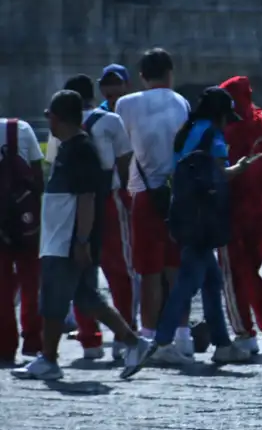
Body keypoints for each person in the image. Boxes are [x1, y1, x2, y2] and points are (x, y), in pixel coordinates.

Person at [12, 90, 152, 380]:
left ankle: (49, 359)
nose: (47, 119)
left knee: (52, 299)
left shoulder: (80, 150)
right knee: (87, 298)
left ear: (60, 117)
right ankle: (135, 342)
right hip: (63, 238)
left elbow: (87, 198)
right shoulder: (69, 148)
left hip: (67, 240)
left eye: (50, 114)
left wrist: (82, 241)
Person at [150, 87, 255, 365]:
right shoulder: (213, 136)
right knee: (187, 282)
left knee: (211, 281)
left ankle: (222, 344)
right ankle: (162, 341)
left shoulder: (187, 130)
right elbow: (220, 173)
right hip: (204, 218)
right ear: (220, 115)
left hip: (183, 212)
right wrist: (241, 168)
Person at [51, 75, 137, 362]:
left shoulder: (62, 127)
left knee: (78, 272)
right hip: (108, 199)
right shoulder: (110, 121)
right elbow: (125, 161)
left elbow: (55, 165)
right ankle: (126, 336)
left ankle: (90, 339)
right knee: (118, 271)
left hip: (72, 203)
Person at [115, 48, 193, 354]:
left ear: (142, 77)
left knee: (148, 272)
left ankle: (148, 335)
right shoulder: (181, 102)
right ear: (170, 73)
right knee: (176, 269)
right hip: (177, 194)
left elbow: (121, 149)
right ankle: (183, 334)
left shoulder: (126, 103)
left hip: (144, 192)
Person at [217, 76, 262, 355]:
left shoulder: (228, 127)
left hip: (232, 205)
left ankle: (245, 332)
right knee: (252, 271)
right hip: (261, 206)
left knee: (233, 273)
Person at [0, 115, 44, 363]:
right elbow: (37, 176)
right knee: (31, 281)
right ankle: (33, 341)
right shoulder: (20, 128)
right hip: (25, 218)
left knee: (2, 288)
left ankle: (5, 345)